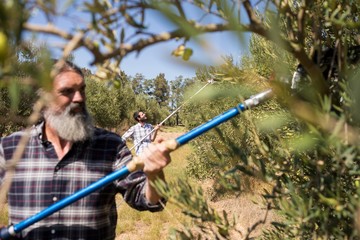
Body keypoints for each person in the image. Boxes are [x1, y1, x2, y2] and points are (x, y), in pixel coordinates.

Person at [0, 61, 171, 240]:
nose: (79, 98)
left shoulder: (110, 146)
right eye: (67, 91)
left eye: (82, 89)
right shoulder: (10, 148)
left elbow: (150, 201)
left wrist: (155, 175)